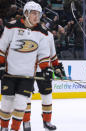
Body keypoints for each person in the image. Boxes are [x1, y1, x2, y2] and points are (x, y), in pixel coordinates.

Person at [0, 1, 52, 131]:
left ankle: (14, 129)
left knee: (21, 104)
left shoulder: (42, 32)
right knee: (6, 103)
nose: (37, 17)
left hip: (27, 76)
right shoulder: (11, 27)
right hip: (10, 74)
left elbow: (43, 54)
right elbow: (2, 47)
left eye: (38, 14)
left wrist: (46, 69)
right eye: (34, 13)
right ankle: (4, 128)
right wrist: (1, 65)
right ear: (26, 13)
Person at [22, 28, 66, 131]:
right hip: (27, 69)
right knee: (26, 96)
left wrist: (57, 67)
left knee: (47, 96)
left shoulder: (49, 35)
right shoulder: (24, 32)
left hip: (44, 69)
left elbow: (53, 54)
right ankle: (26, 122)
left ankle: (47, 121)